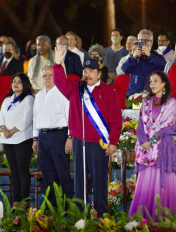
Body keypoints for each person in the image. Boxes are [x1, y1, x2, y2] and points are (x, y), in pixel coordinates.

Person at [53, 46, 122, 217]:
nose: (87, 74)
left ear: (99, 73)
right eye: (85, 71)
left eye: (92, 71)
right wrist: (57, 63)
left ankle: (102, 214)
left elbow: (115, 118)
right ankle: (80, 214)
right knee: (79, 180)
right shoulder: (76, 88)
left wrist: (113, 141)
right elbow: (59, 81)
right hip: (79, 141)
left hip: (98, 143)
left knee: (99, 179)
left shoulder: (108, 91)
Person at [128, 70, 176, 219]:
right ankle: (144, 215)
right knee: (146, 183)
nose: (152, 84)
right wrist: (144, 140)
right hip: (146, 150)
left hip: (162, 148)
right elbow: (140, 124)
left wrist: (151, 141)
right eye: (150, 81)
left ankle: (163, 216)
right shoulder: (145, 102)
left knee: (163, 183)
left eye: (155, 81)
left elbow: (170, 126)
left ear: (164, 83)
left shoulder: (171, 102)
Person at [32, 65, 73, 207]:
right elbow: (35, 118)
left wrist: (70, 137)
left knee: (62, 171)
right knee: (47, 172)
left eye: (50, 75)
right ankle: (52, 206)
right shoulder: (39, 95)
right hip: (43, 137)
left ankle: (68, 205)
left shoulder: (62, 92)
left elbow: (71, 116)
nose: (47, 78)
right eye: (44, 75)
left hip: (59, 135)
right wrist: (35, 138)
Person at [0, 73, 34, 209]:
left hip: (22, 139)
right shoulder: (7, 99)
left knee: (22, 169)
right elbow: (1, 116)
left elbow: (27, 119)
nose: (15, 84)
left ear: (24, 84)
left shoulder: (28, 99)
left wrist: (12, 131)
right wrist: (4, 129)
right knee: (14, 170)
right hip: (7, 139)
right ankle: (16, 199)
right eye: (14, 81)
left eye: (19, 82)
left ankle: (25, 200)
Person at [122, 29, 166, 98]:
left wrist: (150, 55)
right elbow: (125, 69)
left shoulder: (157, 56)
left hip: (152, 96)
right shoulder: (134, 57)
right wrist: (133, 57)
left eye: (146, 40)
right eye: (141, 40)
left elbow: (164, 67)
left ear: (151, 42)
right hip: (134, 96)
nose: (143, 43)